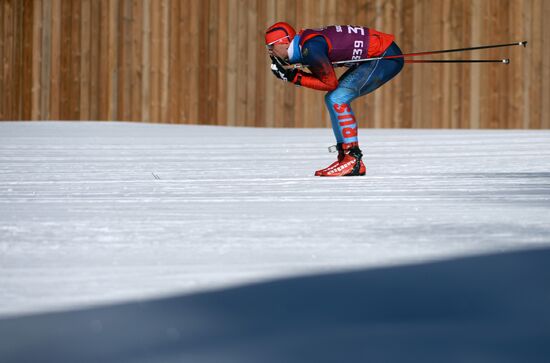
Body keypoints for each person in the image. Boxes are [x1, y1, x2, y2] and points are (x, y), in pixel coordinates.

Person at [265, 22, 404, 176]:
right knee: (333, 98)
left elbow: (329, 83)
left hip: (385, 56)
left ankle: (352, 158)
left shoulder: (309, 49)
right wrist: (294, 75)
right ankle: (346, 156)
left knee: (337, 98)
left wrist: (294, 77)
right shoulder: (306, 45)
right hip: (384, 53)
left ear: (284, 42)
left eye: (271, 46)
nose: (270, 52)